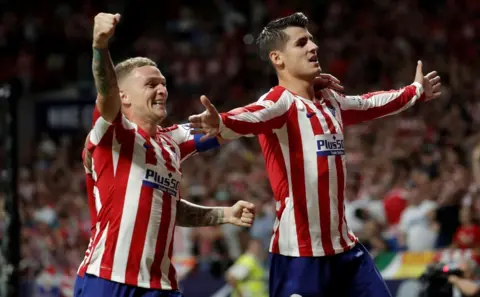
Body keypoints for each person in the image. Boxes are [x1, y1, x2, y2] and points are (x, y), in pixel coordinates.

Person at [188, 12, 441, 297]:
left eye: (312, 40)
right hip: (299, 256)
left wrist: (416, 91)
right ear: (277, 58)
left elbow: (369, 103)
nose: (313, 47)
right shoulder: (280, 103)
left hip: (346, 250)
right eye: (301, 43)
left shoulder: (330, 101)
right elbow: (250, 115)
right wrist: (220, 121)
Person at [75, 12, 256, 297]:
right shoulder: (112, 133)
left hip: (161, 286)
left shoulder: (172, 140)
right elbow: (106, 91)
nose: (162, 90)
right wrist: (100, 45)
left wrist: (223, 214)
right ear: (125, 96)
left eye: (163, 83)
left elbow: (168, 206)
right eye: (151, 85)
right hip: (108, 280)